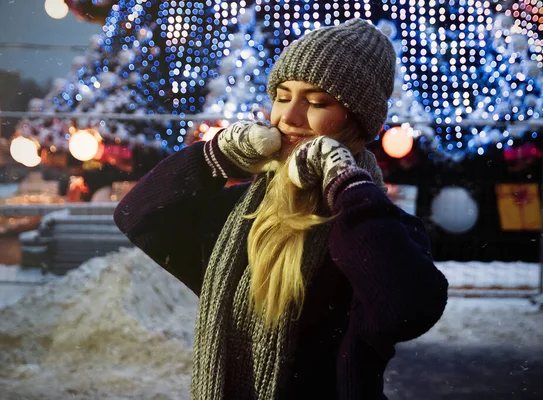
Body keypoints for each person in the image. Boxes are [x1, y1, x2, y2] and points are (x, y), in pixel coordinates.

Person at [114, 19, 448, 400]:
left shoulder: (377, 229)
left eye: (317, 102)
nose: (288, 117)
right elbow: (138, 215)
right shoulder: (239, 216)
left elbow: (406, 309)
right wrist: (218, 155)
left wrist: (348, 186)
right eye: (283, 96)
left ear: (357, 119)